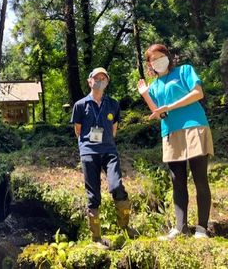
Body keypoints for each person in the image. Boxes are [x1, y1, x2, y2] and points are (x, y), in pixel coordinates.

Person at [137, 44, 214, 240]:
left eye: (160, 56)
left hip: (194, 125)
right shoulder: (154, 85)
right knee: (177, 182)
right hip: (170, 132)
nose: (157, 61)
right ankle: (180, 228)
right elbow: (159, 112)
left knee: (200, 179)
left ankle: (202, 228)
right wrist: (145, 93)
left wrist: (171, 106)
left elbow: (198, 93)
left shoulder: (185, 70)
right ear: (150, 65)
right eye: (153, 59)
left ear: (168, 56)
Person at [71, 67, 136, 244]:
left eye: (104, 78)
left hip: (109, 151)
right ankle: (97, 237)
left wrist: (106, 142)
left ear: (107, 82)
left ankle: (125, 226)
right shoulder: (80, 105)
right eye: (97, 78)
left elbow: (114, 129)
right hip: (89, 153)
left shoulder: (113, 104)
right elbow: (78, 130)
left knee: (117, 187)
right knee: (93, 195)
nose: (100, 81)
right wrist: (87, 145)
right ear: (89, 81)